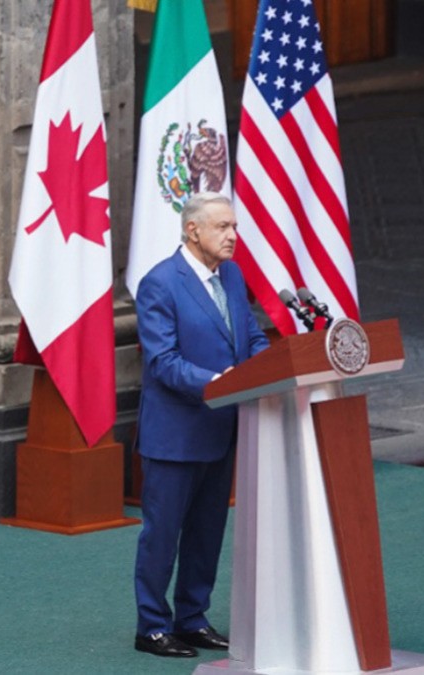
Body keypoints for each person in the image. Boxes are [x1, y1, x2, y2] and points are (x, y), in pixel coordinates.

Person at [132, 192, 270, 658]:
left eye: (234, 227)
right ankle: (152, 627)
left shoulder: (231, 275)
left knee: (207, 532)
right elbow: (163, 362)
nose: (233, 236)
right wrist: (220, 382)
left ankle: (191, 619)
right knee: (162, 535)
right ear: (193, 231)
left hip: (222, 430)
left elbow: (251, 337)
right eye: (222, 227)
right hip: (176, 434)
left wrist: (269, 368)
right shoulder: (160, 283)